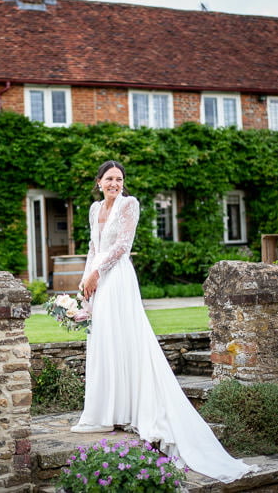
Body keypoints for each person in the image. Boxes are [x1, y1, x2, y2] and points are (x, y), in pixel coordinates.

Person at [71, 160, 257, 484]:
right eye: (109, 179)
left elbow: (121, 246)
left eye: (119, 178)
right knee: (103, 342)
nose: (115, 183)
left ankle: (134, 410)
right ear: (98, 181)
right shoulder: (92, 209)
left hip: (117, 279)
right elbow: (94, 246)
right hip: (97, 279)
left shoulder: (130, 205)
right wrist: (85, 281)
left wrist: (98, 273)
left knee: (126, 339)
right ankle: (107, 411)